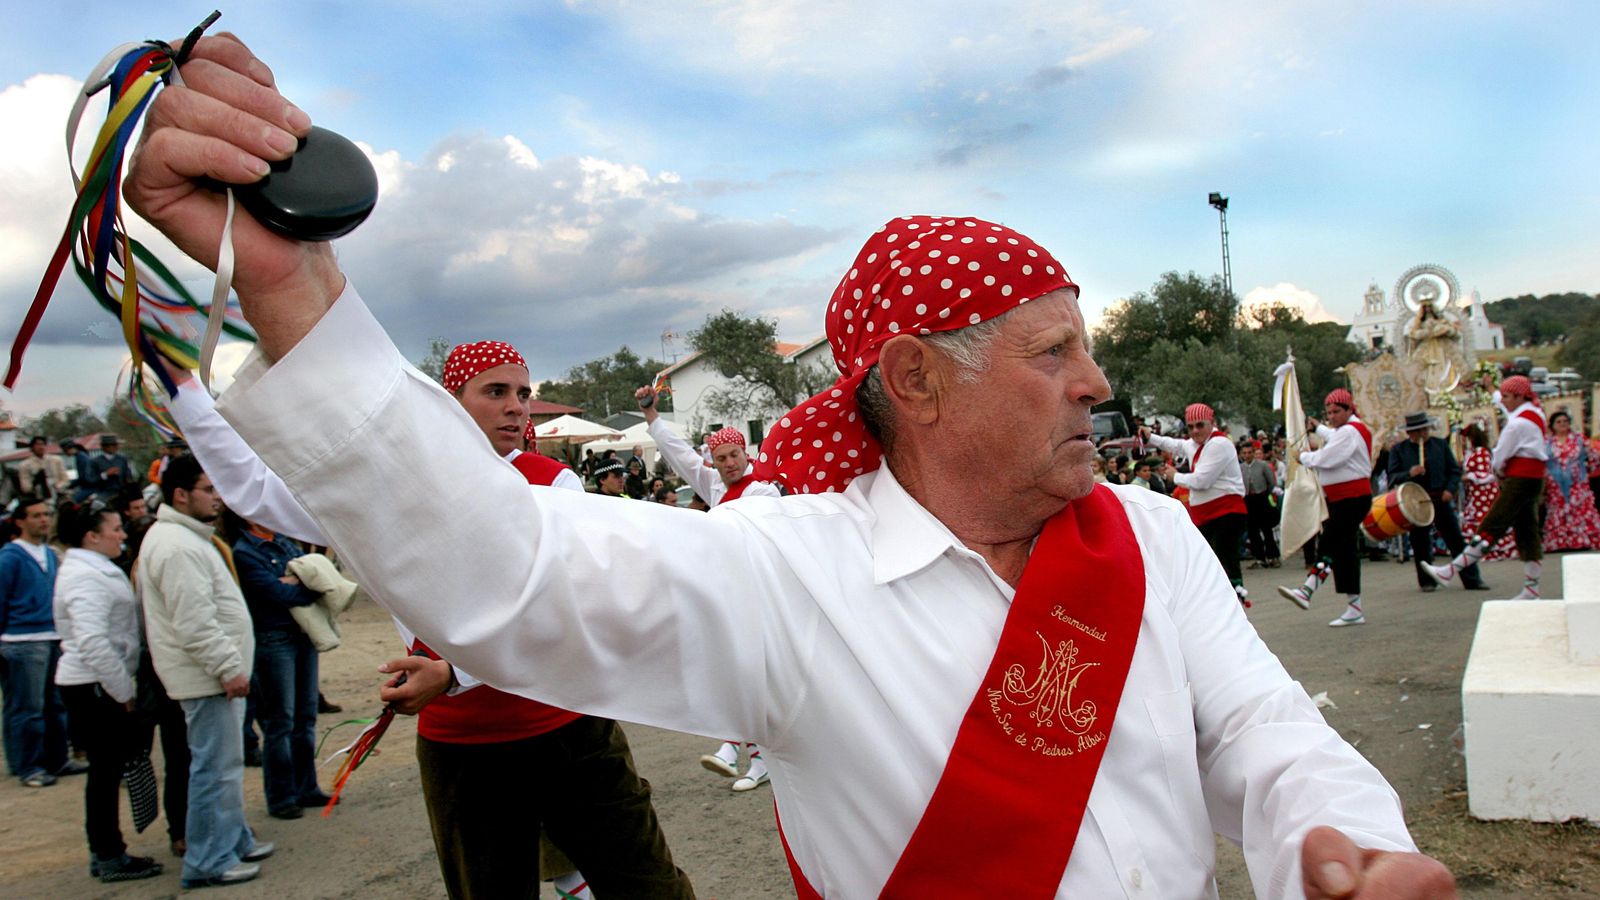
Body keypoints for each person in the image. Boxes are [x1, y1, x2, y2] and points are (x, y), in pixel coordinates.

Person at [127, 47, 1453, 896]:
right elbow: (514, 573)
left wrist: (1340, 844)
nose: (1098, 384)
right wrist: (298, 287)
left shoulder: (1152, 539)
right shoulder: (789, 575)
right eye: (1054, 351)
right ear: (919, 383)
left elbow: (1265, 737)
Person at [166, 343, 691, 899]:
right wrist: (185, 391)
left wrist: (453, 674)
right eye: (495, 392)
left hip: (568, 730)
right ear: (450, 405)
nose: (516, 406)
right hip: (464, 749)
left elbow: (562, 603)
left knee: (650, 888)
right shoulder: (391, 488)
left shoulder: (551, 483)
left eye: (522, 393)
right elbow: (256, 489)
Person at [137, 454, 274, 888]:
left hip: (217, 677)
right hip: (209, 678)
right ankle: (208, 859)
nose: (218, 499)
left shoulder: (190, 539)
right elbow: (194, 623)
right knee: (213, 769)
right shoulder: (176, 546)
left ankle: (231, 840)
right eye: (209, 491)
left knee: (227, 764)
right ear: (181, 495)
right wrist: (228, 668)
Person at [637, 386, 782, 792]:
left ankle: (738, 746)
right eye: (720, 459)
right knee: (736, 670)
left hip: (759, 595)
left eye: (734, 455)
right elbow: (681, 456)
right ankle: (747, 753)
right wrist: (652, 417)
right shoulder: (716, 488)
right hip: (731, 596)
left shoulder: (762, 491)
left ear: (745, 455)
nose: (728, 463)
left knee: (748, 672)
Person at [52, 501, 165, 882]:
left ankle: (107, 849)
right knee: (104, 773)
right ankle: (108, 853)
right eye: (115, 529)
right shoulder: (84, 576)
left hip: (98, 682)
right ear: (92, 536)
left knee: (107, 770)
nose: (122, 534)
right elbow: (93, 641)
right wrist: (122, 690)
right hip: (94, 685)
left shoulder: (93, 568)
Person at [229, 511, 329, 819]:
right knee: (280, 721)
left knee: (304, 716)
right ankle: (282, 795)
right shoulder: (244, 552)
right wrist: (299, 585)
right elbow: (277, 592)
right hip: (274, 639)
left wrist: (295, 584)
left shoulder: (283, 541)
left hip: (299, 636)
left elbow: (309, 579)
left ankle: (306, 786)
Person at [1426, 376, 1549, 599]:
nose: (1503, 401)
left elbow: (1501, 455)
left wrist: (1498, 472)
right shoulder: (1534, 412)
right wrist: (1491, 388)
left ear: (1520, 397)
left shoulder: (1517, 424)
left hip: (1519, 478)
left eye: (1507, 397)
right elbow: (1503, 404)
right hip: (1535, 477)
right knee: (1527, 530)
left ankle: (1450, 570)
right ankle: (1532, 587)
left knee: (1492, 524)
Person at [1278, 389, 1373, 627]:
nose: (1332, 416)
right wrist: (1317, 427)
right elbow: (1332, 436)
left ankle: (1308, 589)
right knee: (1344, 549)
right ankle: (1354, 606)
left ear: (1349, 410)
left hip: (1350, 498)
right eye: (1329, 412)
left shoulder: (1350, 431)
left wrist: (1304, 457)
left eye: (1336, 412)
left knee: (1331, 543)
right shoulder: (1349, 429)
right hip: (1344, 497)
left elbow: (1329, 457)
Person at [1142, 403, 1252, 606]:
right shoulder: (1196, 444)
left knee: (1224, 562)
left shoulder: (1219, 444)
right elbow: (1175, 445)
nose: (1195, 431)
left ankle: (1235, 605)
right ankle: (1222, 605)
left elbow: (1202, 481)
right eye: (1190, 427)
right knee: (1206, 563)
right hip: (1207, 515)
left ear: (1212, 423)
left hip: (1225, 513)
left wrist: (1175, 477)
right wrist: (1151, 437)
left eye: (1200, 425)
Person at [0, 496, 74, 786]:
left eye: (46, 514)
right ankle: (27, 765)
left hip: (51, 636)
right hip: (22, 640)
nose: (43, 520)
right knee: (26, 708)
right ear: (20, 521)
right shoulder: (10, 557)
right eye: (35, 515)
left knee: (54, 705)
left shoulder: (51, 554)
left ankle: (57, 759)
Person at [1386, 412, 1488, 593]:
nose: (1421, 434)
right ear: (1410, 433)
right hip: (1416, 501)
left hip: (1440, 497)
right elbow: (1392, 476)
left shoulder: (1439, 445)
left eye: (1424, 429)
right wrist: (1410, 472)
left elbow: (1454, 470)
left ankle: (1472, 579)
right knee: (1420, 542)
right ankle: (1427, 581)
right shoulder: (1399, 450)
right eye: (1417, 431)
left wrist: (1450, 489)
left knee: (1456, 539)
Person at [1541, 410, 1600, 551]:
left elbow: (1594, 456)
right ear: (1552, 425)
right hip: (1555, 484)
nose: (1562, 424)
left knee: (1579, 509)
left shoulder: (1579, 439)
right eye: (1558, 422)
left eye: (1565, 421)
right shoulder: (1547, 443)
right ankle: (1560, 542)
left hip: (1577, 482)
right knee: (1558, 510)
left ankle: (1582, 540)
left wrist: (1587, 471)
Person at [1458, 424, 1517, 562]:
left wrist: (1469, 477)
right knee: (1478, 517)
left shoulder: (1481, 452)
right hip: (1476, 492)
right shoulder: (1472, 453)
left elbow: (1485, 474)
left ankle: (1492, 549)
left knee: (1484, 517)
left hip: (1484, 492)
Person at [1241, 442, 1282, 569]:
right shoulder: (1241, 467)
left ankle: (1273, 556)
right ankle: (1259, 557)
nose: (1247, 455)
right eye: (1245, 453)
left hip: (1261, 497)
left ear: (1254, 453)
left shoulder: (1262, 465)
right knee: (1253, 531)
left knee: (1266, 528)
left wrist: (1265, 492)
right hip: (1248, 499)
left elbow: (1270, 482)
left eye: (1249, 453)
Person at [17, 436, 73, 506]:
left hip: (58, 493)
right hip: (37, 496)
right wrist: (35, 484)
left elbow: (65, 479)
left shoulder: (56, 460)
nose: (41, 447)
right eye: (37, 444)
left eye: (43, 444)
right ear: (32, 447)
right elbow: (25, 487)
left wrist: (58, 486)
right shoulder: (25, 465)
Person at [80, 435, 133, 503]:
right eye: (108, 445)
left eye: (114, 445)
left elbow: (128, 475)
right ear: (103, 447)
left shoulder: (122, 459)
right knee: (97, 505)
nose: (112, 447)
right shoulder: (95, 461)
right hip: (104, 492)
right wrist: (105, 474)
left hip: (122, 491)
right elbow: (90, 479)